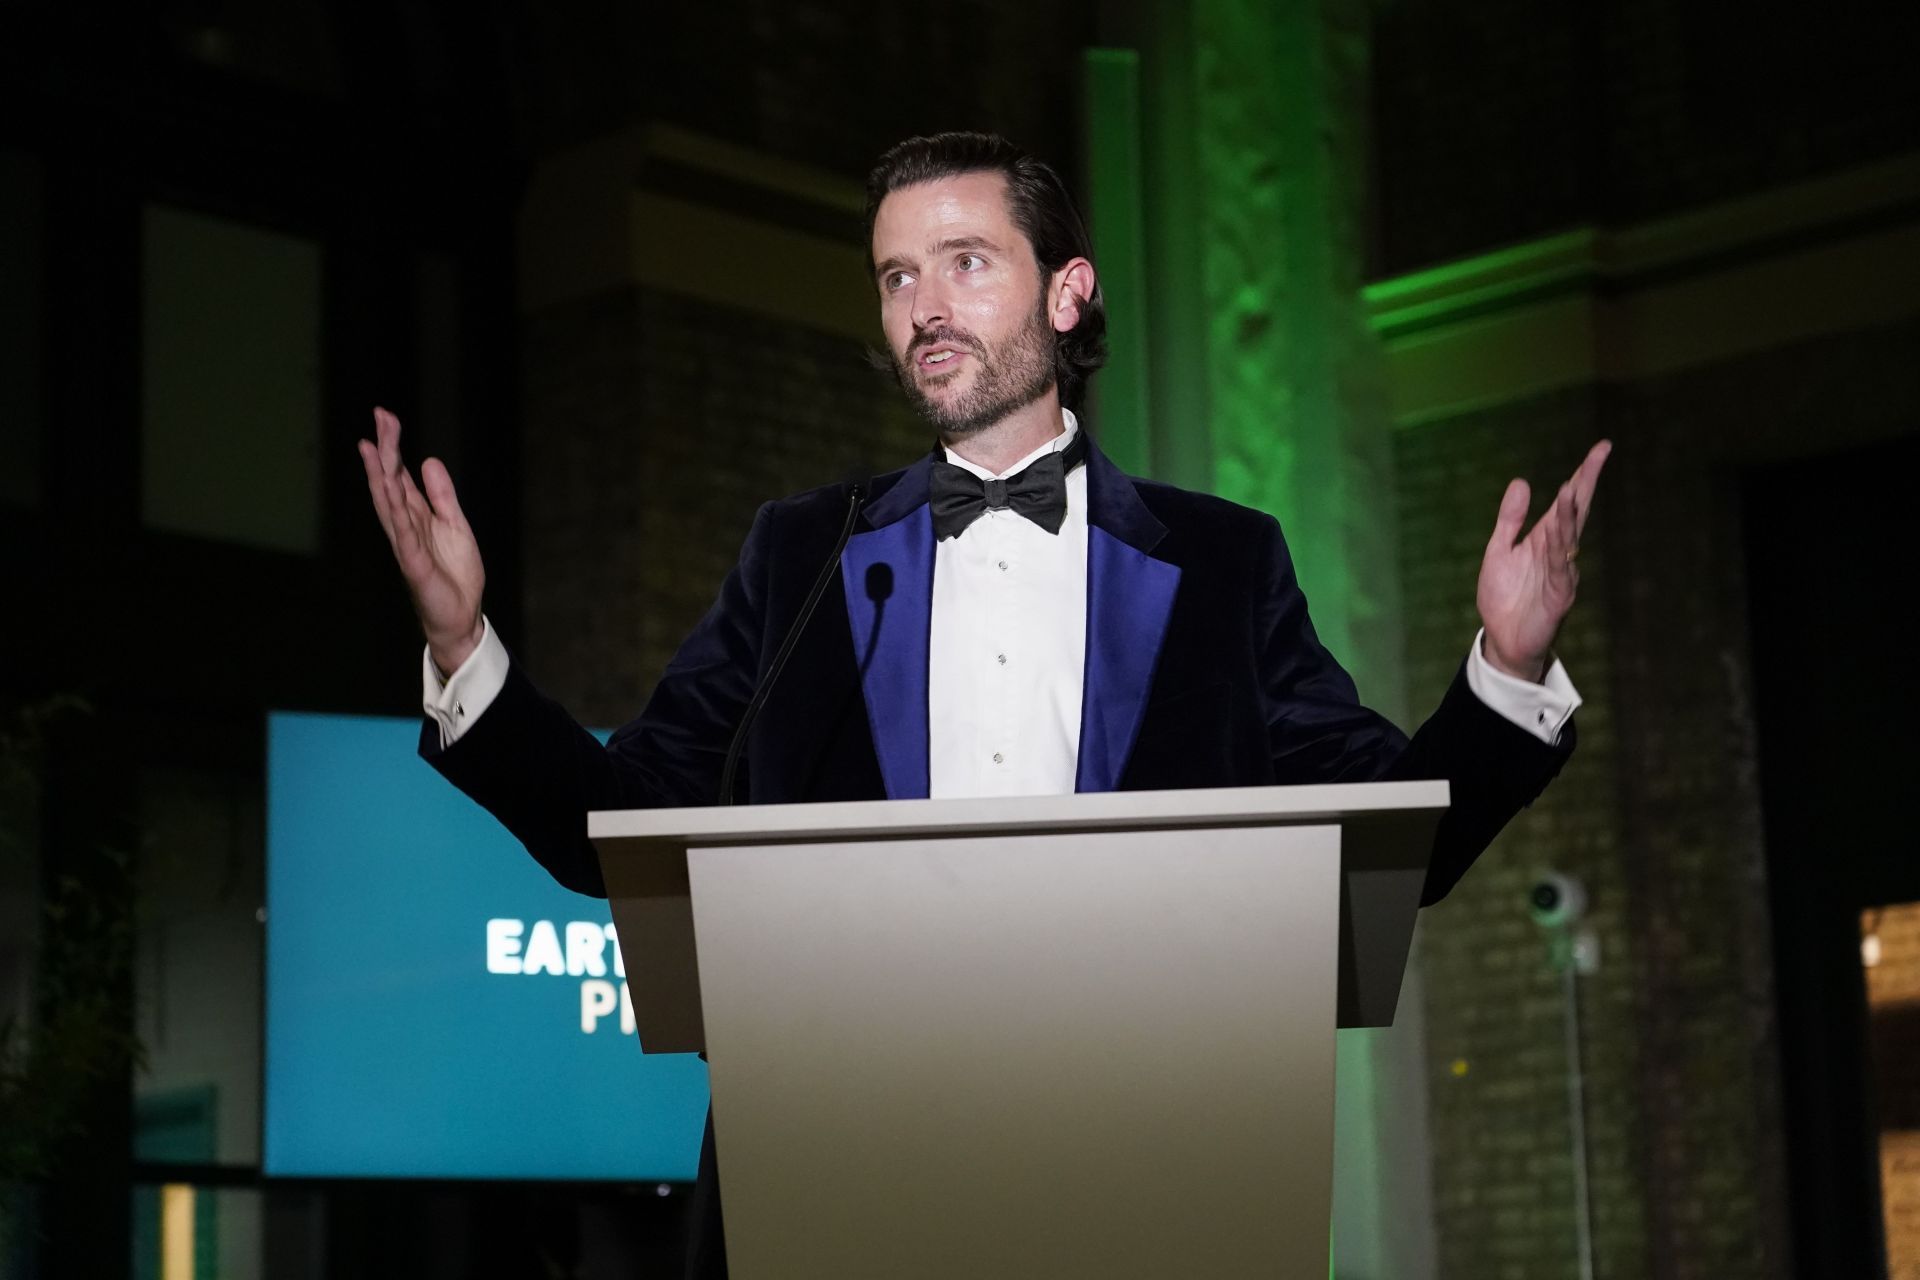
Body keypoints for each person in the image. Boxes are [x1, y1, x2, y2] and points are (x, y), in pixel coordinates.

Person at [358, 131, 1609, 1279]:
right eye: (897, 277)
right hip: (838, 1168)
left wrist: (1501, 671)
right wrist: (466, 645)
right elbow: (619, 821)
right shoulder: (799, 557)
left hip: (1151, 1173)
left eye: (964, 262)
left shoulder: (1225, 561)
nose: (925, 308)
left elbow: (1394, 839)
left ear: (1069, 293)